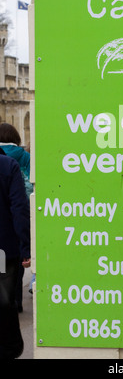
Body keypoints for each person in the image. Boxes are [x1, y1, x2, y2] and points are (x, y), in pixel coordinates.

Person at [0, 152, 31, 360]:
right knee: (4, 300)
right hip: (3, 249)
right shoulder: (8, 165)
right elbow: (19, 208)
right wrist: (25, 247)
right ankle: (10, 348)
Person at [0, 123, 33, 310]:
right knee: (11, 273)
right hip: (10, 234)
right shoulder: (21, 158)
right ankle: (16, 303)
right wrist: (26, 247)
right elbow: (19, 207)